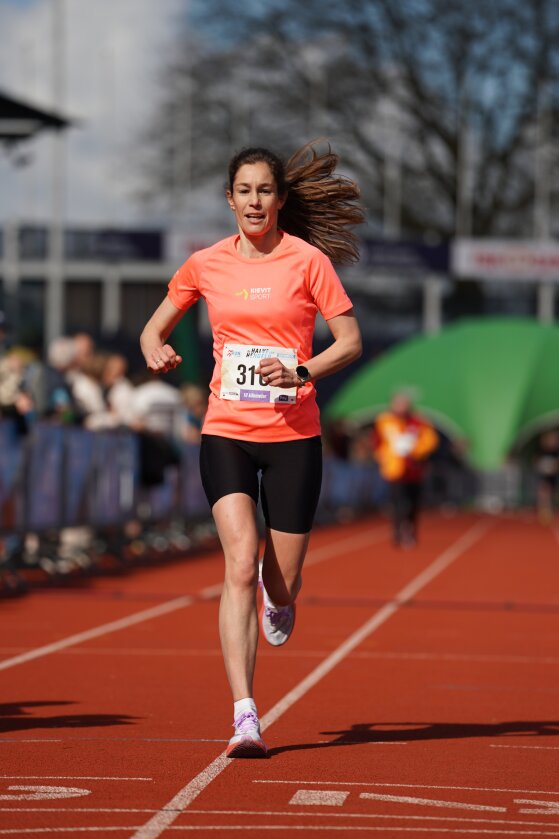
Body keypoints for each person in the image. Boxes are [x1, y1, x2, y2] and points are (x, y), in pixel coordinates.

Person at [140, 142, 363, 758]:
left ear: (281, 198)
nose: (255, 201)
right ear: (230, 199)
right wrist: (155, 348)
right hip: (227, 430)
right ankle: (244, 714)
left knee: (278, 580)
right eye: (245, 191)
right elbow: (153, 327)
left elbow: (350, 341)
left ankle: (280, 596)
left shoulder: (308, 261)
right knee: (240, 561)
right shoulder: (205, 263)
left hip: (294, 436)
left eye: (265, 190)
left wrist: (302, 371)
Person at [371, 391, 438, 547]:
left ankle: (412, 529)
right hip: (394, 470)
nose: (401, 407)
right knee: (398, 503)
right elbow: (377, 442)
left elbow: (430, 440)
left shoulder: (419, 422)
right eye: (398, 403)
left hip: (415, 470)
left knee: (413, 503)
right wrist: (382, 457)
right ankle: (398, 533)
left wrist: (416, 451)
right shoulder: (384, 421)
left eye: (404, 404)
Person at [533, 429, 559, 523]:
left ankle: (552, 510)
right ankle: (545, 512)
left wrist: (553, 467)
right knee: (544, 492)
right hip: (545, 477)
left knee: (553, 494)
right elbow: (536, 462)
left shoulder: (556, 452)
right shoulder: (542, 451)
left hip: (554, 477)